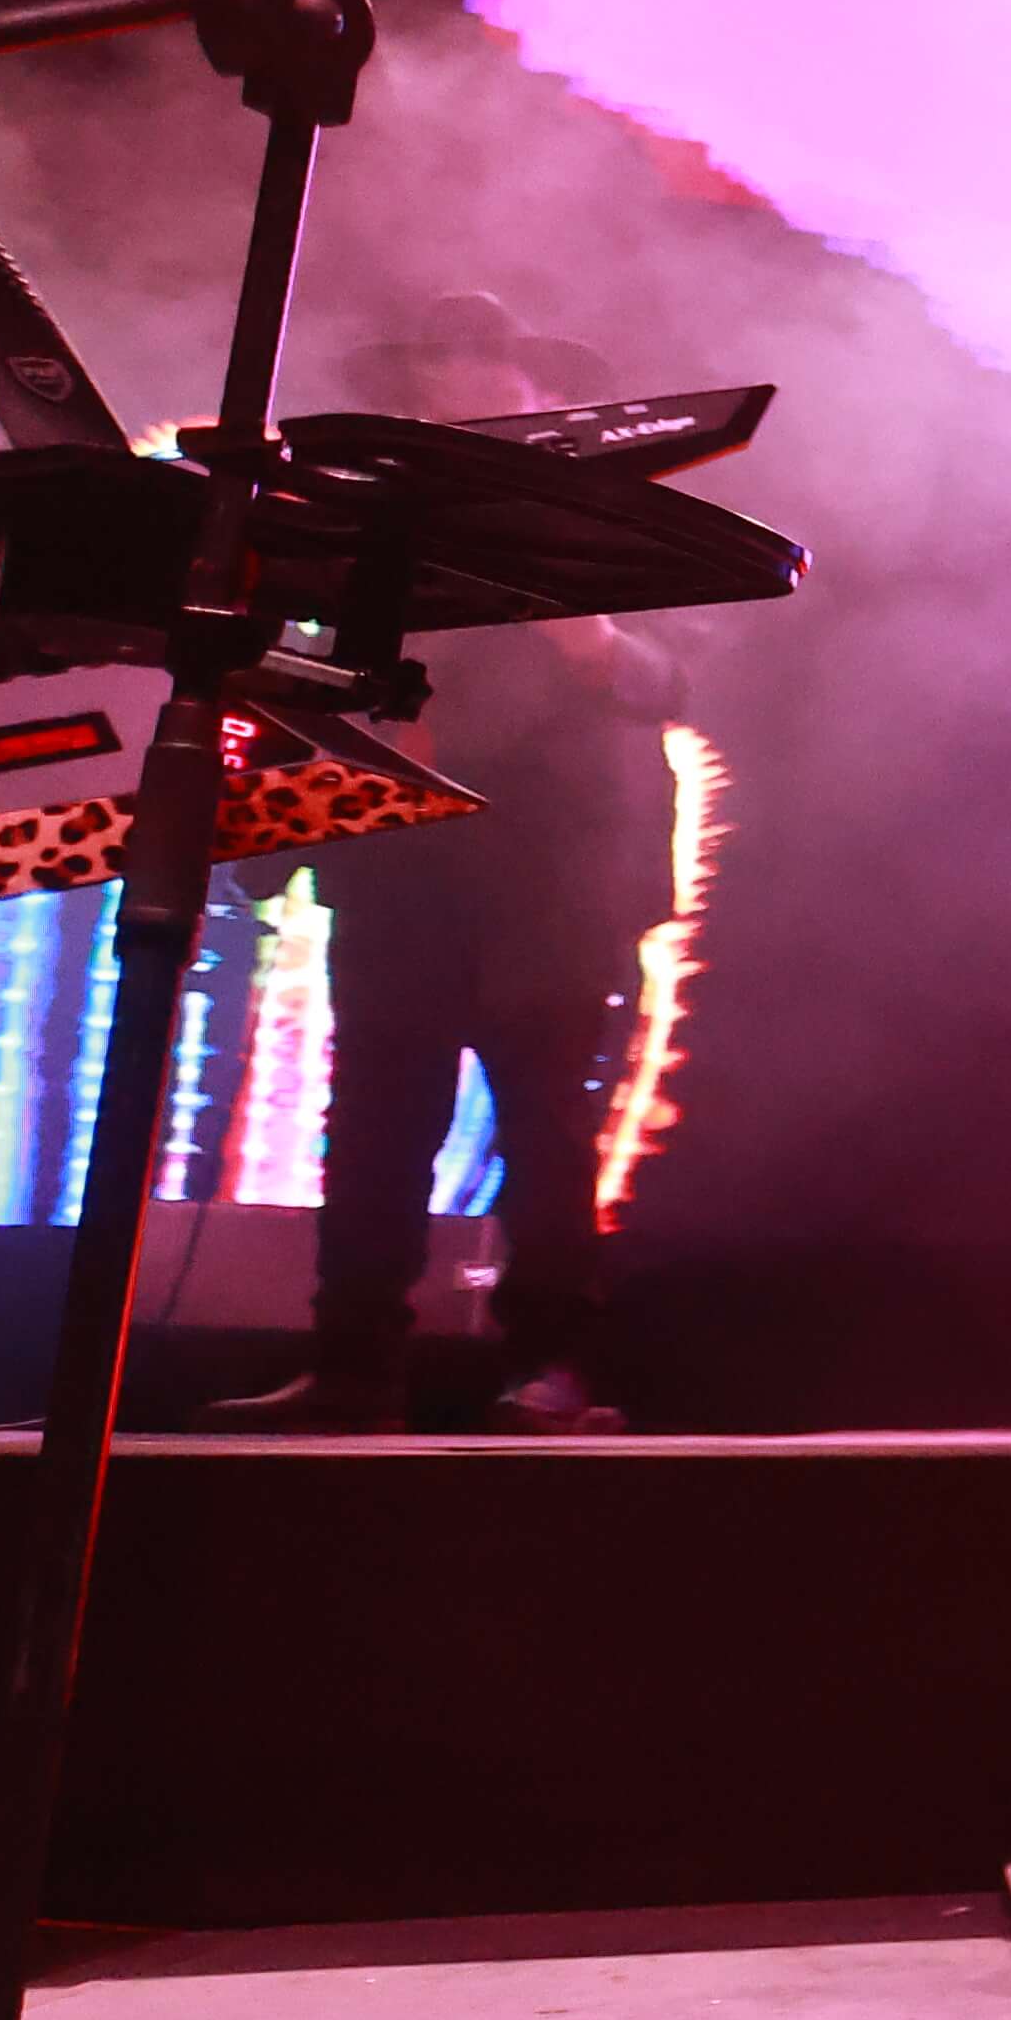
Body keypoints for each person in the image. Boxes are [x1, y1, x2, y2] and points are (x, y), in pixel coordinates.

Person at [215, 296, 680, 1436]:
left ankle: (551, 1365)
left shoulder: (599, 518)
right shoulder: (363, 528)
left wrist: (594, 642)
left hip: (552, 881)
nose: (464, 383)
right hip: (402, 864)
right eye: (441, 366)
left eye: (491, 365)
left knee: (546, 1135)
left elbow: (675, 675)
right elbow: (297, 667)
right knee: (375, 1126)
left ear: (539, 393)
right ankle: (353, 1363)